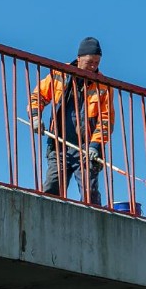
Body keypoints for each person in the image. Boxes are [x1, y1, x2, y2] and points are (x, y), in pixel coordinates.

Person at [29, 36, 110, 205]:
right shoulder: (60, 73)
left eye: (97, 62)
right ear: (79, 59)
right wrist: (36, 117)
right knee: (52, 188)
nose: (94, 66)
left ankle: (92, 223)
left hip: (86, 148)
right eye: (90, 62)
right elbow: (38, 95)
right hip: (59, 145)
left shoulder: (102, 85)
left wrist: (95, 146)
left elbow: (106, 120)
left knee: (90, 194)